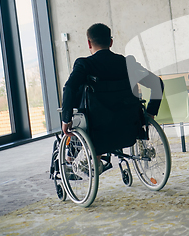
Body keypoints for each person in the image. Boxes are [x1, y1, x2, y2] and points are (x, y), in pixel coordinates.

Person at [61, 23, 164, 171]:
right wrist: (150, 113)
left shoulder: (85, 64)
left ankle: (72, 159)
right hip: (129, 126)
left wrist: (66, 119)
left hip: (97, 129)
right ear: (111, 42)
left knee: (79, 102)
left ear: (89, 43)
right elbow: (157, 83)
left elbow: (69, 88)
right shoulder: (127, 64)